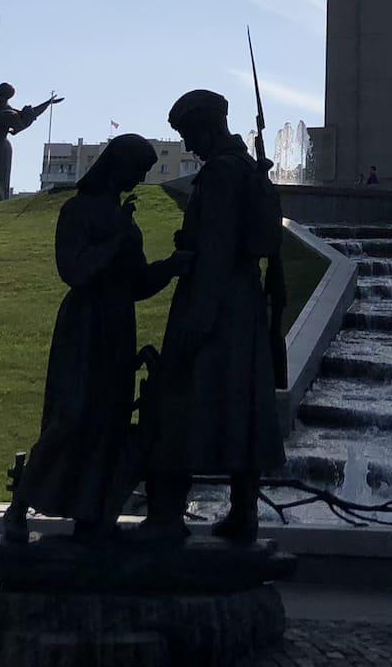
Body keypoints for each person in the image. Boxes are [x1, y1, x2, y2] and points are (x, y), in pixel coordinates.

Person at [12, 134, 189, 537]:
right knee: (70, 417)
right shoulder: (78, 211)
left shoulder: (123, 219)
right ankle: (18, 506)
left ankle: (92, 515)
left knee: (109, 419)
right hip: (84, 327)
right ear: (116, 165)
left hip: (116, 325)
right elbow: (74, 270)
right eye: (136, 170)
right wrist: (117, 239)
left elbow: (137, 283)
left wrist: (172, 266)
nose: (139, 178)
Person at [141, 89, 284, 542]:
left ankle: (167, 516)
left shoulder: (222, 173)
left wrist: (198, 319)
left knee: (180, 397)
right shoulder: (246, 169)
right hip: (240, 302)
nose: (187, 146)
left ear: (207, 126)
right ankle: (244, 513)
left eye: (188, 134)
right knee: (243, 404)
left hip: (214, 299)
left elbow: (220, 247)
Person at [0, 55, 59, 204]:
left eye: (0, 91)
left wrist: (48, 103)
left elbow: (29, 116)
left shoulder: (6, 112)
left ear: (4, 94)